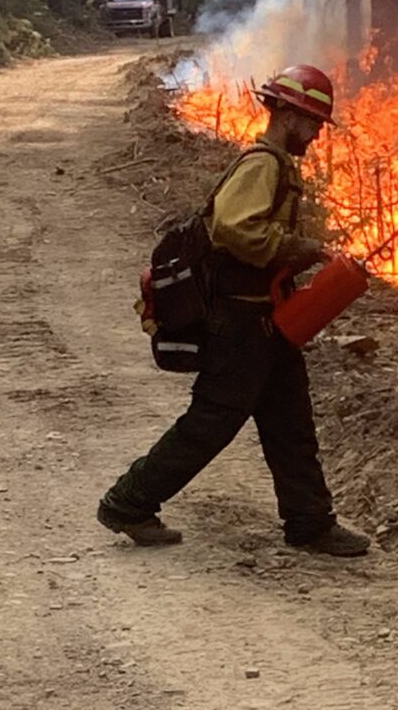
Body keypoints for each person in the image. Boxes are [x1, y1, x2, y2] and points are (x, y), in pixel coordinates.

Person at [97, 64, 370, 557]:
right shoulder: (262, 164)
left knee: (291, 425)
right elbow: (234, 229)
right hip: (240, 324)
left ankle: (310, 522)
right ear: (286, 115)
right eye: (308, 122)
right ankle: (128, 502)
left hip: (269, 321)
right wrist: (296, 248)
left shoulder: (280, 166)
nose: (313, 134)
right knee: (211, 423)